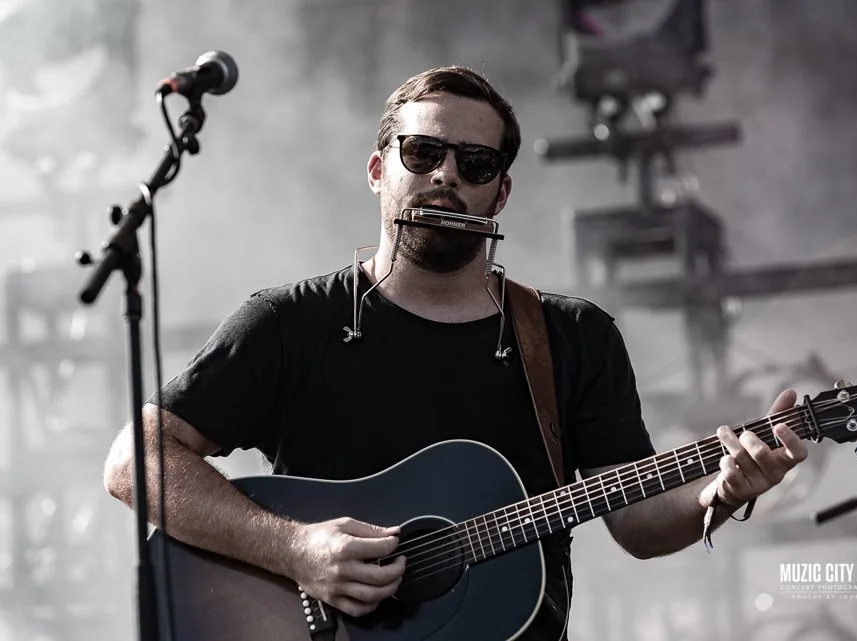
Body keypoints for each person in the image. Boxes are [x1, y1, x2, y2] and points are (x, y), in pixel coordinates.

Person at [102, 66, 807, 640]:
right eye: (422, 154)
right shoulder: (290, 322)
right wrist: (294, 549)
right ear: (378, 169)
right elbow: (135, 462)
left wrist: (722, 493)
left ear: (500, 193)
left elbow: (636, 522)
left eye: (475, 164)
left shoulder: (572, 337)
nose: (446, 176)